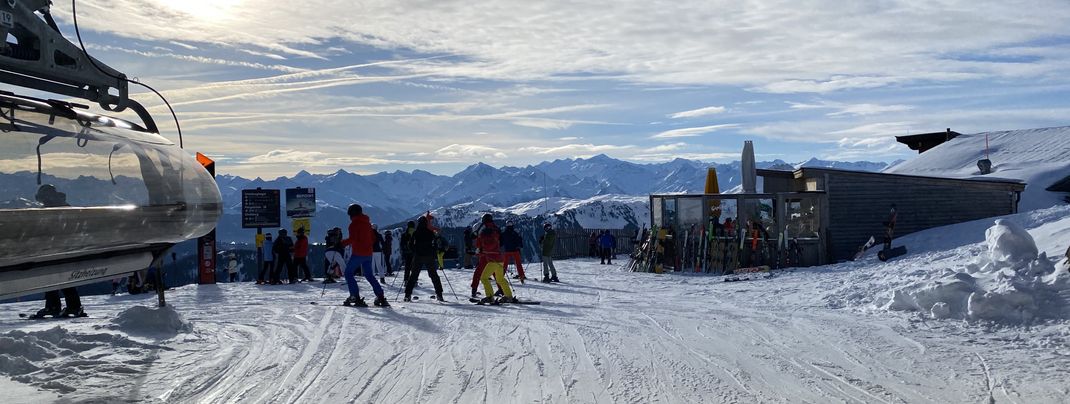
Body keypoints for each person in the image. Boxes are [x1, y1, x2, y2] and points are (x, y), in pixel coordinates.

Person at [31, 184, 85, 318]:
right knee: (64, 277)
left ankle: (53, 306)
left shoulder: (52, 209)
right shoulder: (63, 206)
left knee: (51, 277)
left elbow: (45, 229)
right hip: (66, 247)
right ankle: (73, 306)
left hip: (54, 248)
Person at [341, 204, 388, 307]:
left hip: (358, 253)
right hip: (368, 253)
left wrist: (341, 243)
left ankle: (354, 296)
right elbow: (373, 238)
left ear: (352, 214)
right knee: (369, 275)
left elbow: (352, 239)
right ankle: (380, 296)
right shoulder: (367, 223)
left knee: (348, 273)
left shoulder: (354, 224)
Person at [475, 214, 515, 304]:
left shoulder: (484, 232)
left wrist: (480, 250)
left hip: (493, 260)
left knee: (484, 278)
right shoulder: (496, 229)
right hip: (500, 258)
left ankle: (490, 297)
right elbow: (500, 243)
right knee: (500, 279)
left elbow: (486, 246)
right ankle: (508, 296)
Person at [405, 216, 445, 301]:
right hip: (429, 256)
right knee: (434, 275)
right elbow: (436, 244)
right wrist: (433, 252)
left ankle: (407, 295)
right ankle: (439, 295)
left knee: (413, 276)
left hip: (418, 256)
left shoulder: (416, 232)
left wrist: (414, 251)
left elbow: (410, 244)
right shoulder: (430, 232)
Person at [400, 221, 416, 285]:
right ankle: (413, 281)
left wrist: (403, 252)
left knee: (407, 267)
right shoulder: (416, 233)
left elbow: (402, 244)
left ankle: (406, 280)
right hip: (414, 253)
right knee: (414, 267)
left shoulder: (404, 234)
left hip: (407, 253)